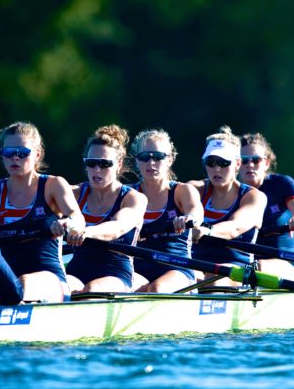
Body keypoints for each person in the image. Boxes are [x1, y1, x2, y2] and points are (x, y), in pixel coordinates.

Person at [0, 121, 86, 304]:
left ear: (37, 154)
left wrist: (68, 224)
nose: (15, 158)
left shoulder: (53, 185)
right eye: (9, 153)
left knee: (24, 283)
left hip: (51, 279)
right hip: (9, 275)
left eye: (22, 153)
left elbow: (78, 218)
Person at [65, 125, 148, 294]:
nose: (97, 170)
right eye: (92, 163)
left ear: (118, 164)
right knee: (59, 285)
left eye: (104, 164)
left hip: (116, 272)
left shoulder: (134, 198)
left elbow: (118, 227)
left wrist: (87, 232)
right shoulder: (74, 193)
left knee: (93, 289)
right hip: (77, 270)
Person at [129, 129, 204, 293]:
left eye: (158, 157)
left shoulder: (182, 191)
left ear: (170, 159)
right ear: (136, 160)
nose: (151, 163)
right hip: (138, 269)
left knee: (157, 288)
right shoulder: (128, 194)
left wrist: (189, 218)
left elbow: (196, 211)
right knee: (121, 287)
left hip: (178, 268)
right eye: (144, 157)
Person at [190, 127, 267, 286]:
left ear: (238, 164)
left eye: (224, 163)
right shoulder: (194, 189)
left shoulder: (254, 196)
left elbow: (235, 227)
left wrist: (207, 230)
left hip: (236, 268)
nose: (217, 169)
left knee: (213, 279)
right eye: (211, 162)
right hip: (197, 265)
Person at [238, 132, 294, 280]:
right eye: (244, 161)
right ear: (237, 164)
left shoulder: (281, 184)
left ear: (266, 163)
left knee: (254, 267)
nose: (250, 165)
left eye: (256, 160)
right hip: (244, 264)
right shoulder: (231, 191)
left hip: (286, 263)